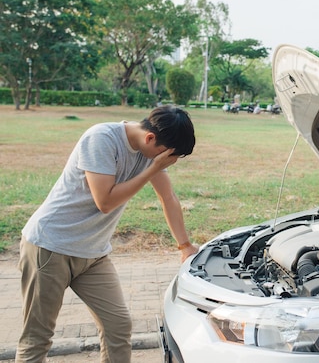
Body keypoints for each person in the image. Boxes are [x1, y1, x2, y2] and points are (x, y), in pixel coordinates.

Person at [16, 105, 199, 363]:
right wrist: (152, 168)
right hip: (50, 247)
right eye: (168, 157)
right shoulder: (101, 138)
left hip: (93, 254)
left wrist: (185, 246)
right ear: (150, 138)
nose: (168, 163)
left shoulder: (151, 153)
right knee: (37, 338)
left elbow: (167, 197)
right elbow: (105, 201)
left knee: (118, 326)